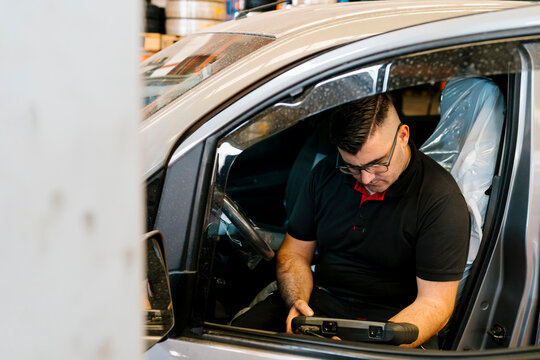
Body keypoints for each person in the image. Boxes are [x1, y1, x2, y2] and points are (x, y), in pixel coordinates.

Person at [232, 93, 470, 348]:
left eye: (377, 164)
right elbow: (295, 254)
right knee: (231, 345)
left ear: (403, 136)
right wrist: (297, 303)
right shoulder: (326, 174)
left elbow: (435, 304)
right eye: (352, 167)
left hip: (391, 322)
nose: (366, 179)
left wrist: (366, 349)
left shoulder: (439, 199)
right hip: (318, 303)